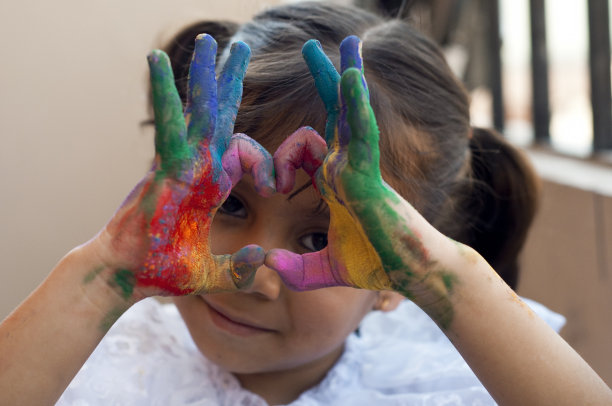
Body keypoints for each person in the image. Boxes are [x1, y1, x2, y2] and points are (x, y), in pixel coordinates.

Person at [0, 2, 610, 405]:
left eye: (319, 238)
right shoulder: (104, 362)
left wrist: (442, 275)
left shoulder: (434, 385)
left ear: (397, 279)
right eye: (230, 207)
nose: (254, 274)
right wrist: (105, 271)